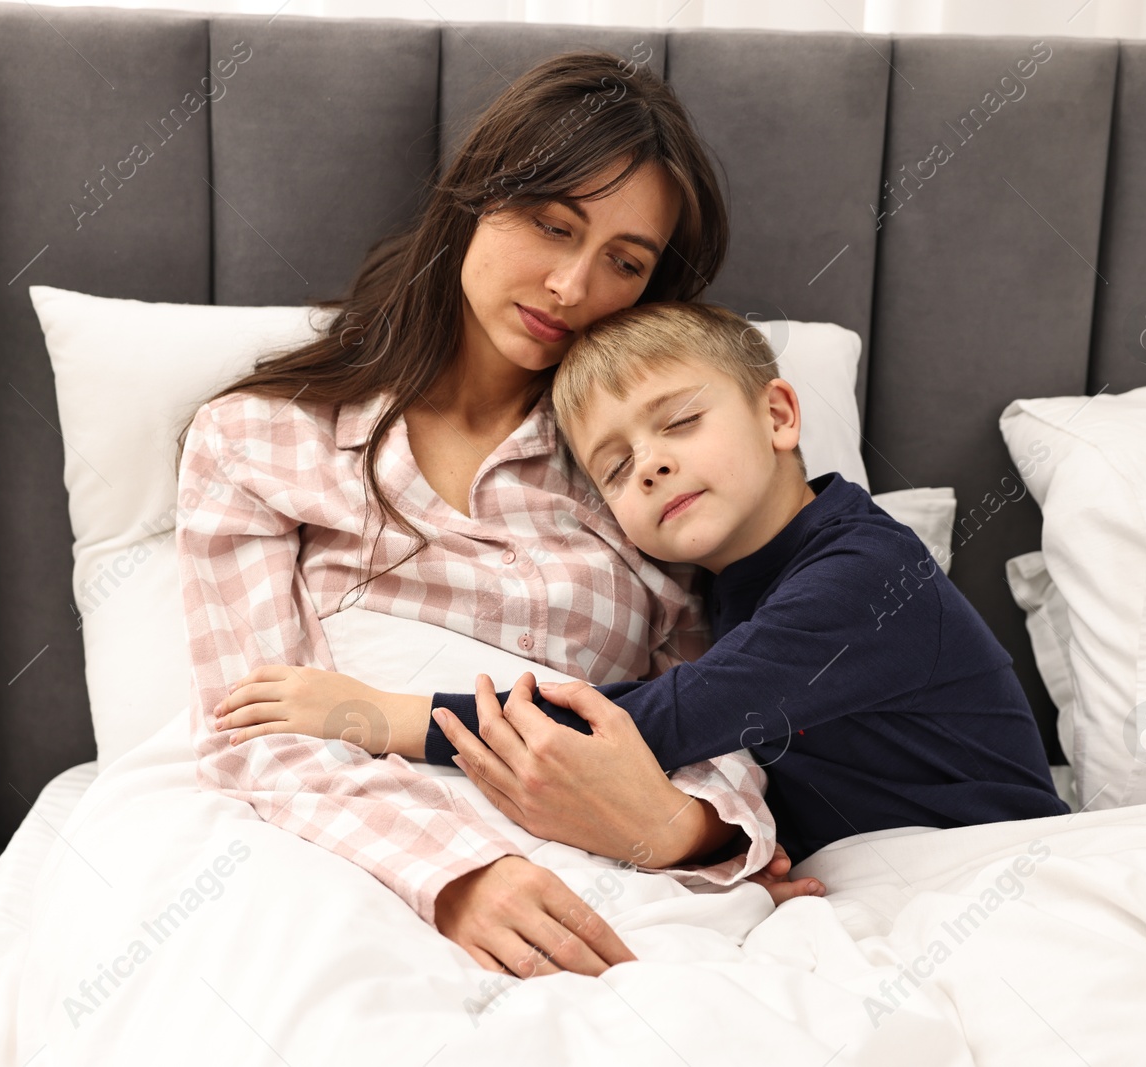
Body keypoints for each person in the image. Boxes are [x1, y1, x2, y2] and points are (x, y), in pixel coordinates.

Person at [177, 48, 809, 987]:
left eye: (623, 262)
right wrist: (461, 875)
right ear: (477, 195)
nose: (571, 286)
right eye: (553, 225)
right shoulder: (257, 442)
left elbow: (713, 713)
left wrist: (684, 832)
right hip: (346, 855)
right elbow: (257, 731)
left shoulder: (640, 471)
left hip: (617, 861)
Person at [229, 300, 1069, 868]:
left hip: (992, 864)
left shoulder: (863, 575)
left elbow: (660, 722)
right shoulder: (732, 588)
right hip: (883, 873)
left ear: (777, 415)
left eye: (680, 422)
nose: (654, 462)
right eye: (619, 466)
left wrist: (382, 713)